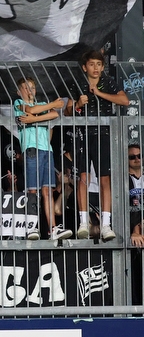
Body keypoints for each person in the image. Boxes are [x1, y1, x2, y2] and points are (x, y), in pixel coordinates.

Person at [68, 49, 129, 241]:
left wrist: (100, 93)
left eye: (99, 64)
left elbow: (124, 100)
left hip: (103, 134)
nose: (96, 68)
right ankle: (83, 222)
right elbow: (68, 110)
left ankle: (106, 224)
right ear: (85, 67)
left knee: (105, 179)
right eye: (92, 64)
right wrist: (78, 103)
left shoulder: (108, 82)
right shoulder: (76, 83)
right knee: (83, 177)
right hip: (82, 134)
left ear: (103, 67)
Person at [14, 76, 71, 241]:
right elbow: (31, 110)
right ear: (19, 91)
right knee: (33, 190)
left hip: (47, 149)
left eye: (32, 87)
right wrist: (51, 105)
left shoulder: (41, 105)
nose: (30, 90)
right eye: (26, 87)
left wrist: (34, 120)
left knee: (47, 191)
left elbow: (53, 114)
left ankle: (53, 229)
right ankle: (32, 227)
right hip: (32, 149)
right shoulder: (18, 103)